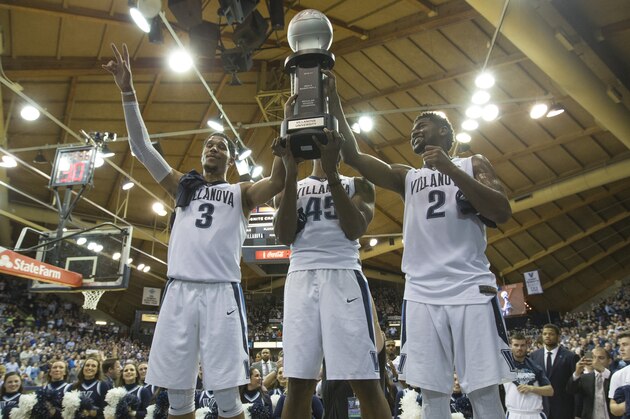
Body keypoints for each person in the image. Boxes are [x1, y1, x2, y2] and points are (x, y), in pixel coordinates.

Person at [103, 43, 285, 419]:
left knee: (228, 398)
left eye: (221, 146)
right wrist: (127, 91)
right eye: (209, 144)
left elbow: (279, 179)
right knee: (178, 398)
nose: (214, 147)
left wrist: (286, 127)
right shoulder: (181, 186)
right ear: (202, 156)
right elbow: (140, 147)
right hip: (179, 290)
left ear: (230, 160)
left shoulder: (241, 192)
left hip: (221, 293)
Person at [328, 68, 515, 419]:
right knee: (432, 396)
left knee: (485, 393)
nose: (413, 130)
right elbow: (352, 155)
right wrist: (334, 97)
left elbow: (502, 211)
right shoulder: (406, 176)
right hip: (422, 293)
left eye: (422, 125)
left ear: (444, 131)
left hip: (470, 288)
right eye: (412, 127)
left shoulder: (472, 163)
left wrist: (452, 171)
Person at [273, 125, 391, 418]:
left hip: (343, 273)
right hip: (301, 275)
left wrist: (332, 174)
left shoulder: (360, 184)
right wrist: (290, 173)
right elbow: (284, 235)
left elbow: (354, 229)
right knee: (299, 385)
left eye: (332, 139)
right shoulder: (293, 186)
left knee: (365, 382)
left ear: (341, 144)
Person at [530, 324, 579, 419]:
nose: (547, 336)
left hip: (564, 408)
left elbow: (575, 385)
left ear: (558, 337)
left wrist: (577, 412)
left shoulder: (570, 357)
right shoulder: (534, 356)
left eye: (551, 334)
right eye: (545, 334)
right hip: (540, 408)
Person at [503, 332, 553, 419]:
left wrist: (531, 388)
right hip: (513, 413)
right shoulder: (504, 365)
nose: (519, 348)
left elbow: (550, 391)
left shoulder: (536, 367)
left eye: (522, 345)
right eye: (516, 345)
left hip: (535, 414)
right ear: (511, 346)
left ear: (527, 346)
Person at [566, 347, 613, 419]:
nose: (596, 361)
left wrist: (603, 370)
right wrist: (577, 373)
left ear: (609, 361)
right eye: (594, 358)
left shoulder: (615, 376)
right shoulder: (585, 378)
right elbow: (571, 390)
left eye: (601, 358)